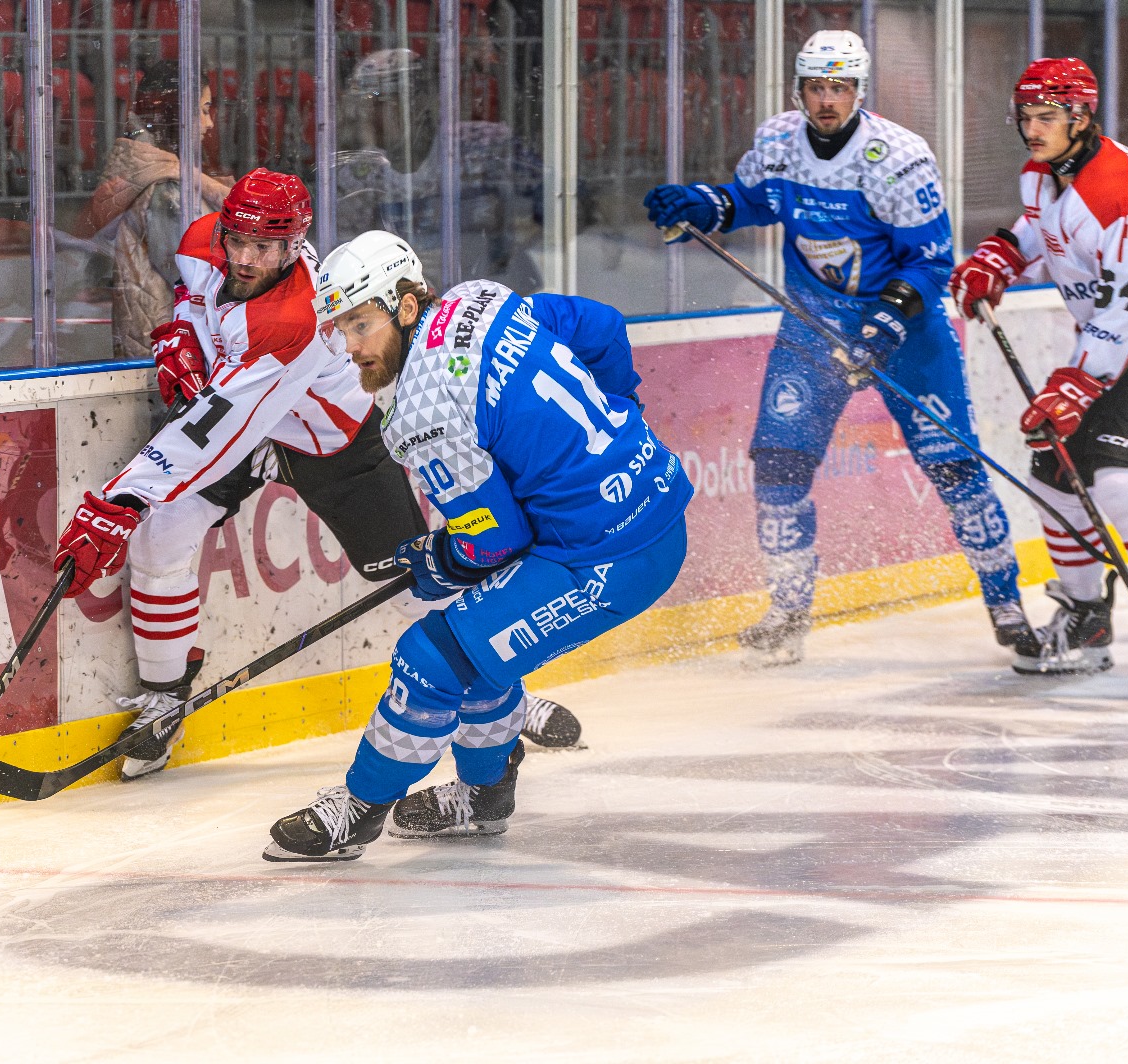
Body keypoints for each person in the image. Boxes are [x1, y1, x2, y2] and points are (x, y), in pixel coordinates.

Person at [51, 170, 582, 783]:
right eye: (239, 240)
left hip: (334, 445)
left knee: (424, 577)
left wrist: (121, 500)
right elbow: (196, 302)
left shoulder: (295, 318)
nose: (246, 258)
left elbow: (212, 430)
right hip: (254, 427)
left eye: (266, 248)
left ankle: (501, 695)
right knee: (160, 535)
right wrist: (184, 337)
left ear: (293, 244)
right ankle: (166, 700)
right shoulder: (203, 240)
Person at [257, 231, 693, 861]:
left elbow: (495, 538)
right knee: (475, 640)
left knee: (429, 658)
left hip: (607, 558)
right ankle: (484, 797)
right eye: (339, 330)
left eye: (361, 325)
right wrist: (620, 404)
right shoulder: (481, 302)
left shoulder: (421, 410)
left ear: (406, 307)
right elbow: (602, 326)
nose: (350, 348)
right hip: (652, 507)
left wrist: (437, 561)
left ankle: (359, 810)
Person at [642, 30, 1033, 667]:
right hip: (813, 323)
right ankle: (790, 609)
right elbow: (751, 203)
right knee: (776, 465)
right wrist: (702, 205)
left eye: (840, 87)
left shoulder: (898, 157)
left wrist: (881, 330)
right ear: (798, 89)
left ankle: (1007, 604)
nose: (827, 100)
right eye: (817, 87)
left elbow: (932, 263)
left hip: (907, 331)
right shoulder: (778, 141)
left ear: (859, 90)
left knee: (955, 468)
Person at [949, 58, 1128, 700]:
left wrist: (1077, 385)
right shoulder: (1044, 174)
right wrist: (1004, 254)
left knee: (1125, 478)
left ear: (1081, 116)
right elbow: (1044, 224)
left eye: (1046, 117)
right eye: (1025, 117)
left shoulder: (1119, 191)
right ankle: (1086, 619)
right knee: (1054, 471)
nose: (1032, 130)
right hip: (1120, 344)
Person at [334, 48, 546, 293]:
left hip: (499, 297)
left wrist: (497, 243)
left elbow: (562, 208)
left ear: (419, 101)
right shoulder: (358, 174)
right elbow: (350, 259)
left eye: (381, 102)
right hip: (418, 310)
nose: (367, 115)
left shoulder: (485, 145)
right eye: (363, 104)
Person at [72, 61, 234, 360]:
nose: (209, 123)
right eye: (203, 109)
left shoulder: (158, 176)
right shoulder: (165, 189)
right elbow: (198, 276)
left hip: (166, 346)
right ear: (175, 116)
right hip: (175, 355)